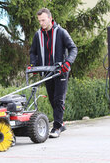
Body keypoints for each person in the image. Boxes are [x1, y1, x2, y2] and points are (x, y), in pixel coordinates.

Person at [28, 8, 78, 138]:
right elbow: (33, 52)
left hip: (60, 71)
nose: (41, 23)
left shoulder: (61, 32)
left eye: (43, 20)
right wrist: (33, 65)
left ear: (50, 19)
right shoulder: (37, 35)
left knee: (58, 98)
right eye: (39, 21)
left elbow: (73, 48)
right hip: (46, 72)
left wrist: (67, 63)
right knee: (52, 98)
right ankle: (60, 123)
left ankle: (56, 127)